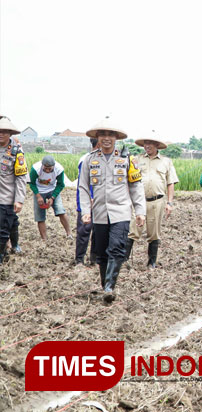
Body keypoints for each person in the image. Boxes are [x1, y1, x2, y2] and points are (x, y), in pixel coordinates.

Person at [78, 118, 146, 302]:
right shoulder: (89, 160)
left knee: (116, 249)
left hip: (121, 212)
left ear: (116, 137)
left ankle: (109, 287)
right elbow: (83, 187)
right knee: (101, 252)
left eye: (110, 135)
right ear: (97, 137)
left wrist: (140, 211)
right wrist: (85, 210)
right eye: (103, 135)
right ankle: (104, 284)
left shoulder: (127, 159)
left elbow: (136, 186)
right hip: (99, 213)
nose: (106, 138)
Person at [125, 132, 179, 268]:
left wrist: (170, 203)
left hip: (157, 201)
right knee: (133, 229)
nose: (147, 146)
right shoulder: (136, 160)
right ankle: (124, 260)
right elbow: (129, 180)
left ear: (157, 145)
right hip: (138, 202)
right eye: (145, 143)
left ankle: (152, 263)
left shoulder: (166, 162)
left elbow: (170, 183)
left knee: (154, 232)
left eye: (150, 143)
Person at [0, 117, 27, 266]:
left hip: (6, 197)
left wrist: (19, 199)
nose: (1, 134)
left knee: (3, 230)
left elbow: (21, 177)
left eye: (4, 131)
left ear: (10, 133)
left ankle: (2, 256)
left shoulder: (16, 151)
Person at [29, 155, 72, 241]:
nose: (48, 170)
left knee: (60, 210)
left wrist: (53, 198)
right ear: (42, 165)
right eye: (46, 168)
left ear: (54, 166)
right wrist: (38, 196)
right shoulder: (35, 168)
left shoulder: (59, 169)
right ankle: (44, 239)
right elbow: (31, 183)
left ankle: (69, 234)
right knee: (40, 216)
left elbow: (60, 184)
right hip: (39, 190)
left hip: (53, 189)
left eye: (50, 168)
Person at [75, 138, 99, 266]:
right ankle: (79, 260)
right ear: (98, 143)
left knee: (98, 231)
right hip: (86, 201)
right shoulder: (86, 159)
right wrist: (90, 196)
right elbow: (84, 182)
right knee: (84, 230)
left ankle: (94, 259)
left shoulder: (106, 159)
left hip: (100, 202)